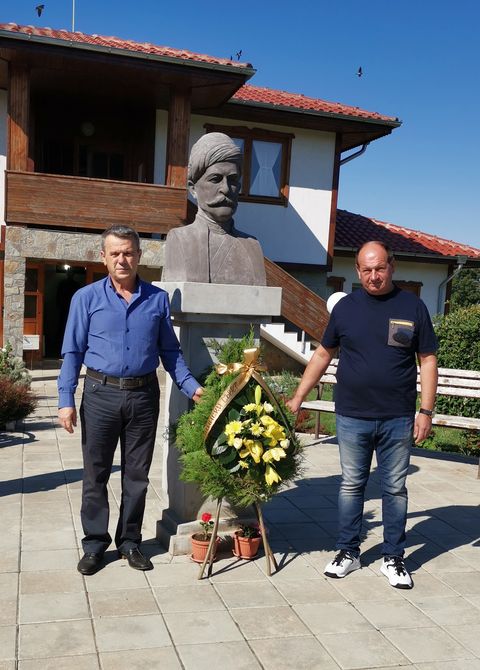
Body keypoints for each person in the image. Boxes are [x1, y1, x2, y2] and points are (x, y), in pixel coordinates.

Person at [287, 241, 438, 589]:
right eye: (367, 270)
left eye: (380, 268)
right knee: (352, 485)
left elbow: (428, 360)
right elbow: (323, 354)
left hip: (397, 416)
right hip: (353, 415)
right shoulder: (346, 308)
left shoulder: (412, 306)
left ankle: (393, 557)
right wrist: (298, 396)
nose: (374, 276)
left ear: (392, 266)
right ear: (358, 270)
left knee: (394, 489)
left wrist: (426, 410)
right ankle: (348, 552)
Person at [58, 225, 203, 575]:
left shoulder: (157, 299)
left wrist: (191, 387)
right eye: (115, 253)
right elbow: (72, 351)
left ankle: (130, 542)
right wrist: (66, 399)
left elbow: (170, 351)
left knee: (137, 476)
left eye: (128, 252)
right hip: (100, 395)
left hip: (143, 396)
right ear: (103, 257)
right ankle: (95, 544)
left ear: (139, 256)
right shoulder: (86, 298)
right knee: (96, 474)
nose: (122, 259)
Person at [162, 132, 266, 285]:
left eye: (233, 180)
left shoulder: (252, 246)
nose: (226, 189)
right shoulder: (180, 239)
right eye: (215, 179)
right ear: (193, 188)